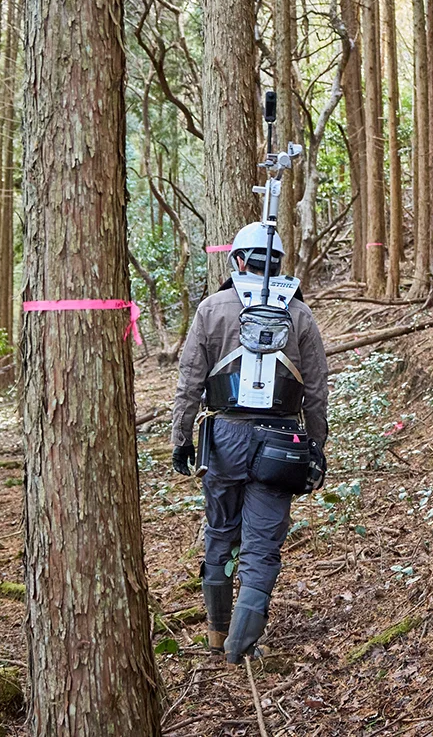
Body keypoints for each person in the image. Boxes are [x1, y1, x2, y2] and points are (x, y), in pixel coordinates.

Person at [171, 223, 329, 665]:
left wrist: (181, 438)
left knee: (220, 531)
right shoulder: (300, 314)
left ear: (238, 260)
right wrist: (316, 445)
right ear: (276, 263)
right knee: (262, 543)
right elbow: (316, 389)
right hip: (281, 444)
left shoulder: (211, 308)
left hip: (223, 437)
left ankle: (217, 631)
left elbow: (190, 380)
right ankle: (241, 646)